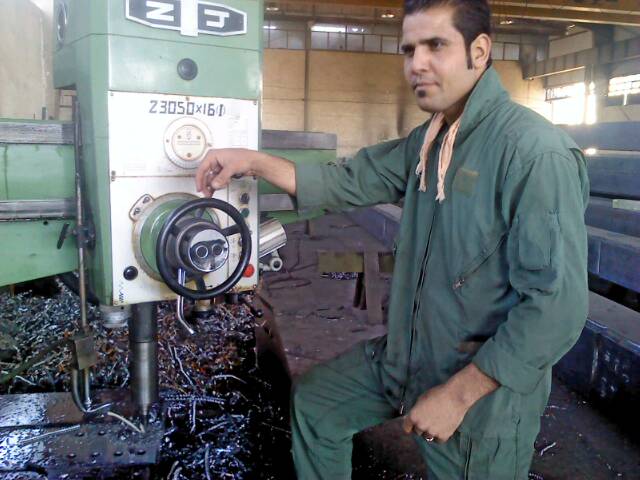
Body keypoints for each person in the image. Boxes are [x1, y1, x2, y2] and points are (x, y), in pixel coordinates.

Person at [195, 0, 590, 478]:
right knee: (318, 406)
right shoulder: (431, 140)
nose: (416, 64)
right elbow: (349, 180)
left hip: (477, 387)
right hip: (407, 357)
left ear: (479, 51)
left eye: (436, 45)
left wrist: (458, 395)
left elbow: (557, 309)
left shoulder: (533, 154)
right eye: (408, 50)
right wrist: (253, 161)